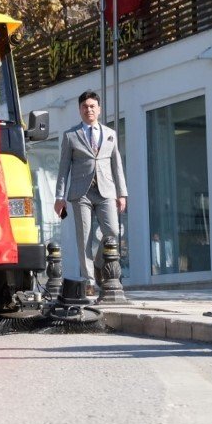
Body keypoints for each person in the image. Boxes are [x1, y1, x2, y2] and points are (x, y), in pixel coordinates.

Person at [54, 90, 128, 294]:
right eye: (85, 107)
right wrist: (59, 197)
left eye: (92, 106)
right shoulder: (71, 136)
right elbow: (63, 168)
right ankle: (89, 282)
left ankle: (97, 264)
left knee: (112, 231)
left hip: (106, 191)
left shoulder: (110, 134)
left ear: (99, 109)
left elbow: (117, 166)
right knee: (84, 237)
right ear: (80, 110)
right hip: (81, 193)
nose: (89, 110)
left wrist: (122, 194)